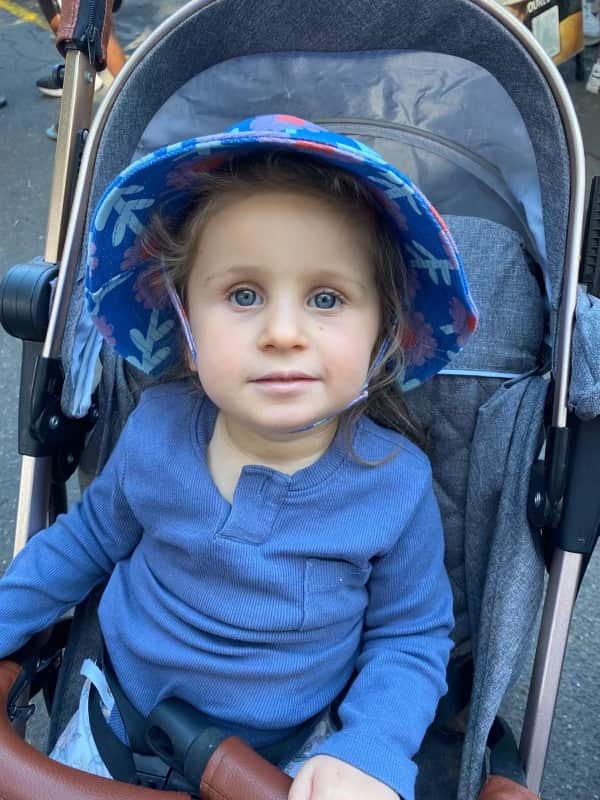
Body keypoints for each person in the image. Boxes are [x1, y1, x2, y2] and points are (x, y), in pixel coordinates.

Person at [0, 115, 478, 800]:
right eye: (243, 295)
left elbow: (410, 636)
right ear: (187, 326)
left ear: (383, 333)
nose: (282, 332)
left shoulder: (393, 485)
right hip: (119, 722)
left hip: (286, 758)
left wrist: (370, 747)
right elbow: (84, 543)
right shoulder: (157, 430)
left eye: (326, 298)